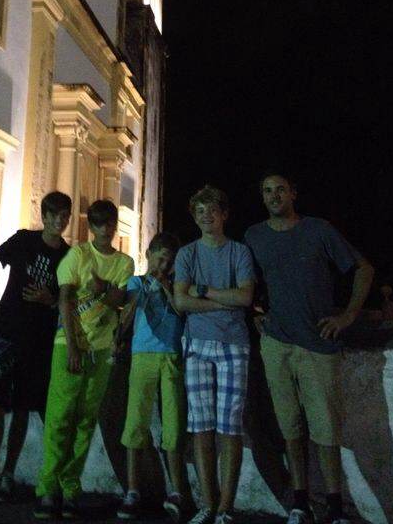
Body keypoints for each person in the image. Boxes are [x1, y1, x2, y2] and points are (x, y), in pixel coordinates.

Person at [244, 171, 374, 524]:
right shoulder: (254, 236)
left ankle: (335, 507)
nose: (274, 196)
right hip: (277, 344)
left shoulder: (318, 230)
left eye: (280, 190)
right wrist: (255, 313)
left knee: (326, 431)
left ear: (293, 194)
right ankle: (300, 503)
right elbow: (247, 282)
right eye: (267, 191)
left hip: (318, 344)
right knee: (290, 428)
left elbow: (363, 269)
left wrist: (348, 316)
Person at [0, 191, 72, 503]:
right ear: (44, 216)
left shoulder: (68, 256)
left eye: (64, 216)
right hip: (8, 328)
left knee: (23, 406)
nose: (59, 221)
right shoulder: (25, 240)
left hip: (39, 338)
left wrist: (49, 299)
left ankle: (8, 474)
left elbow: (67, 299)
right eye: (54, 215)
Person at [34, 199, 134, 520]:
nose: (105, 229)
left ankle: (70, 487)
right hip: (69, 344)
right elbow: (65, 299)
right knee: (60, 416)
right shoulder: (77, 256)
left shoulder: (124, 262)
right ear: (90, 227)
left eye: (109, 223)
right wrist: (73, 346)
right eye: (99, 223)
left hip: (101, 348)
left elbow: (119, 299)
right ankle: (48, 487)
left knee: (86, 421)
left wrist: (102, 288)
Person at [173, 185, 255, 524]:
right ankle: (208, 504)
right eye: (200, 211)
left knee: (229, 427)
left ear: (224, 214)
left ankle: (225, 508)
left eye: (212, 210)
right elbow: (181, 301)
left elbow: (246, 297)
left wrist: (204, 291)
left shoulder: (239, 252)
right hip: (196, 345)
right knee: (201, 426)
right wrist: (225, 300)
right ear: (194, 217)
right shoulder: (187, 254)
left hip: (233, 344)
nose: (206, 215)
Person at [117, 232, 189, 522]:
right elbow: (129, 310)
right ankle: (133, 490)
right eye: (160, 259)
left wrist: (167, 286)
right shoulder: (136, 282)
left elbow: (180, 309)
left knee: (173, 424)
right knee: (136, 421)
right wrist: (148, 285)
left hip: (171, 354)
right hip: (142, 354)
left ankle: (177, 492)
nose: (164, 266)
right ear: (148, 255)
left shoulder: (176, 285)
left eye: (169, 262)